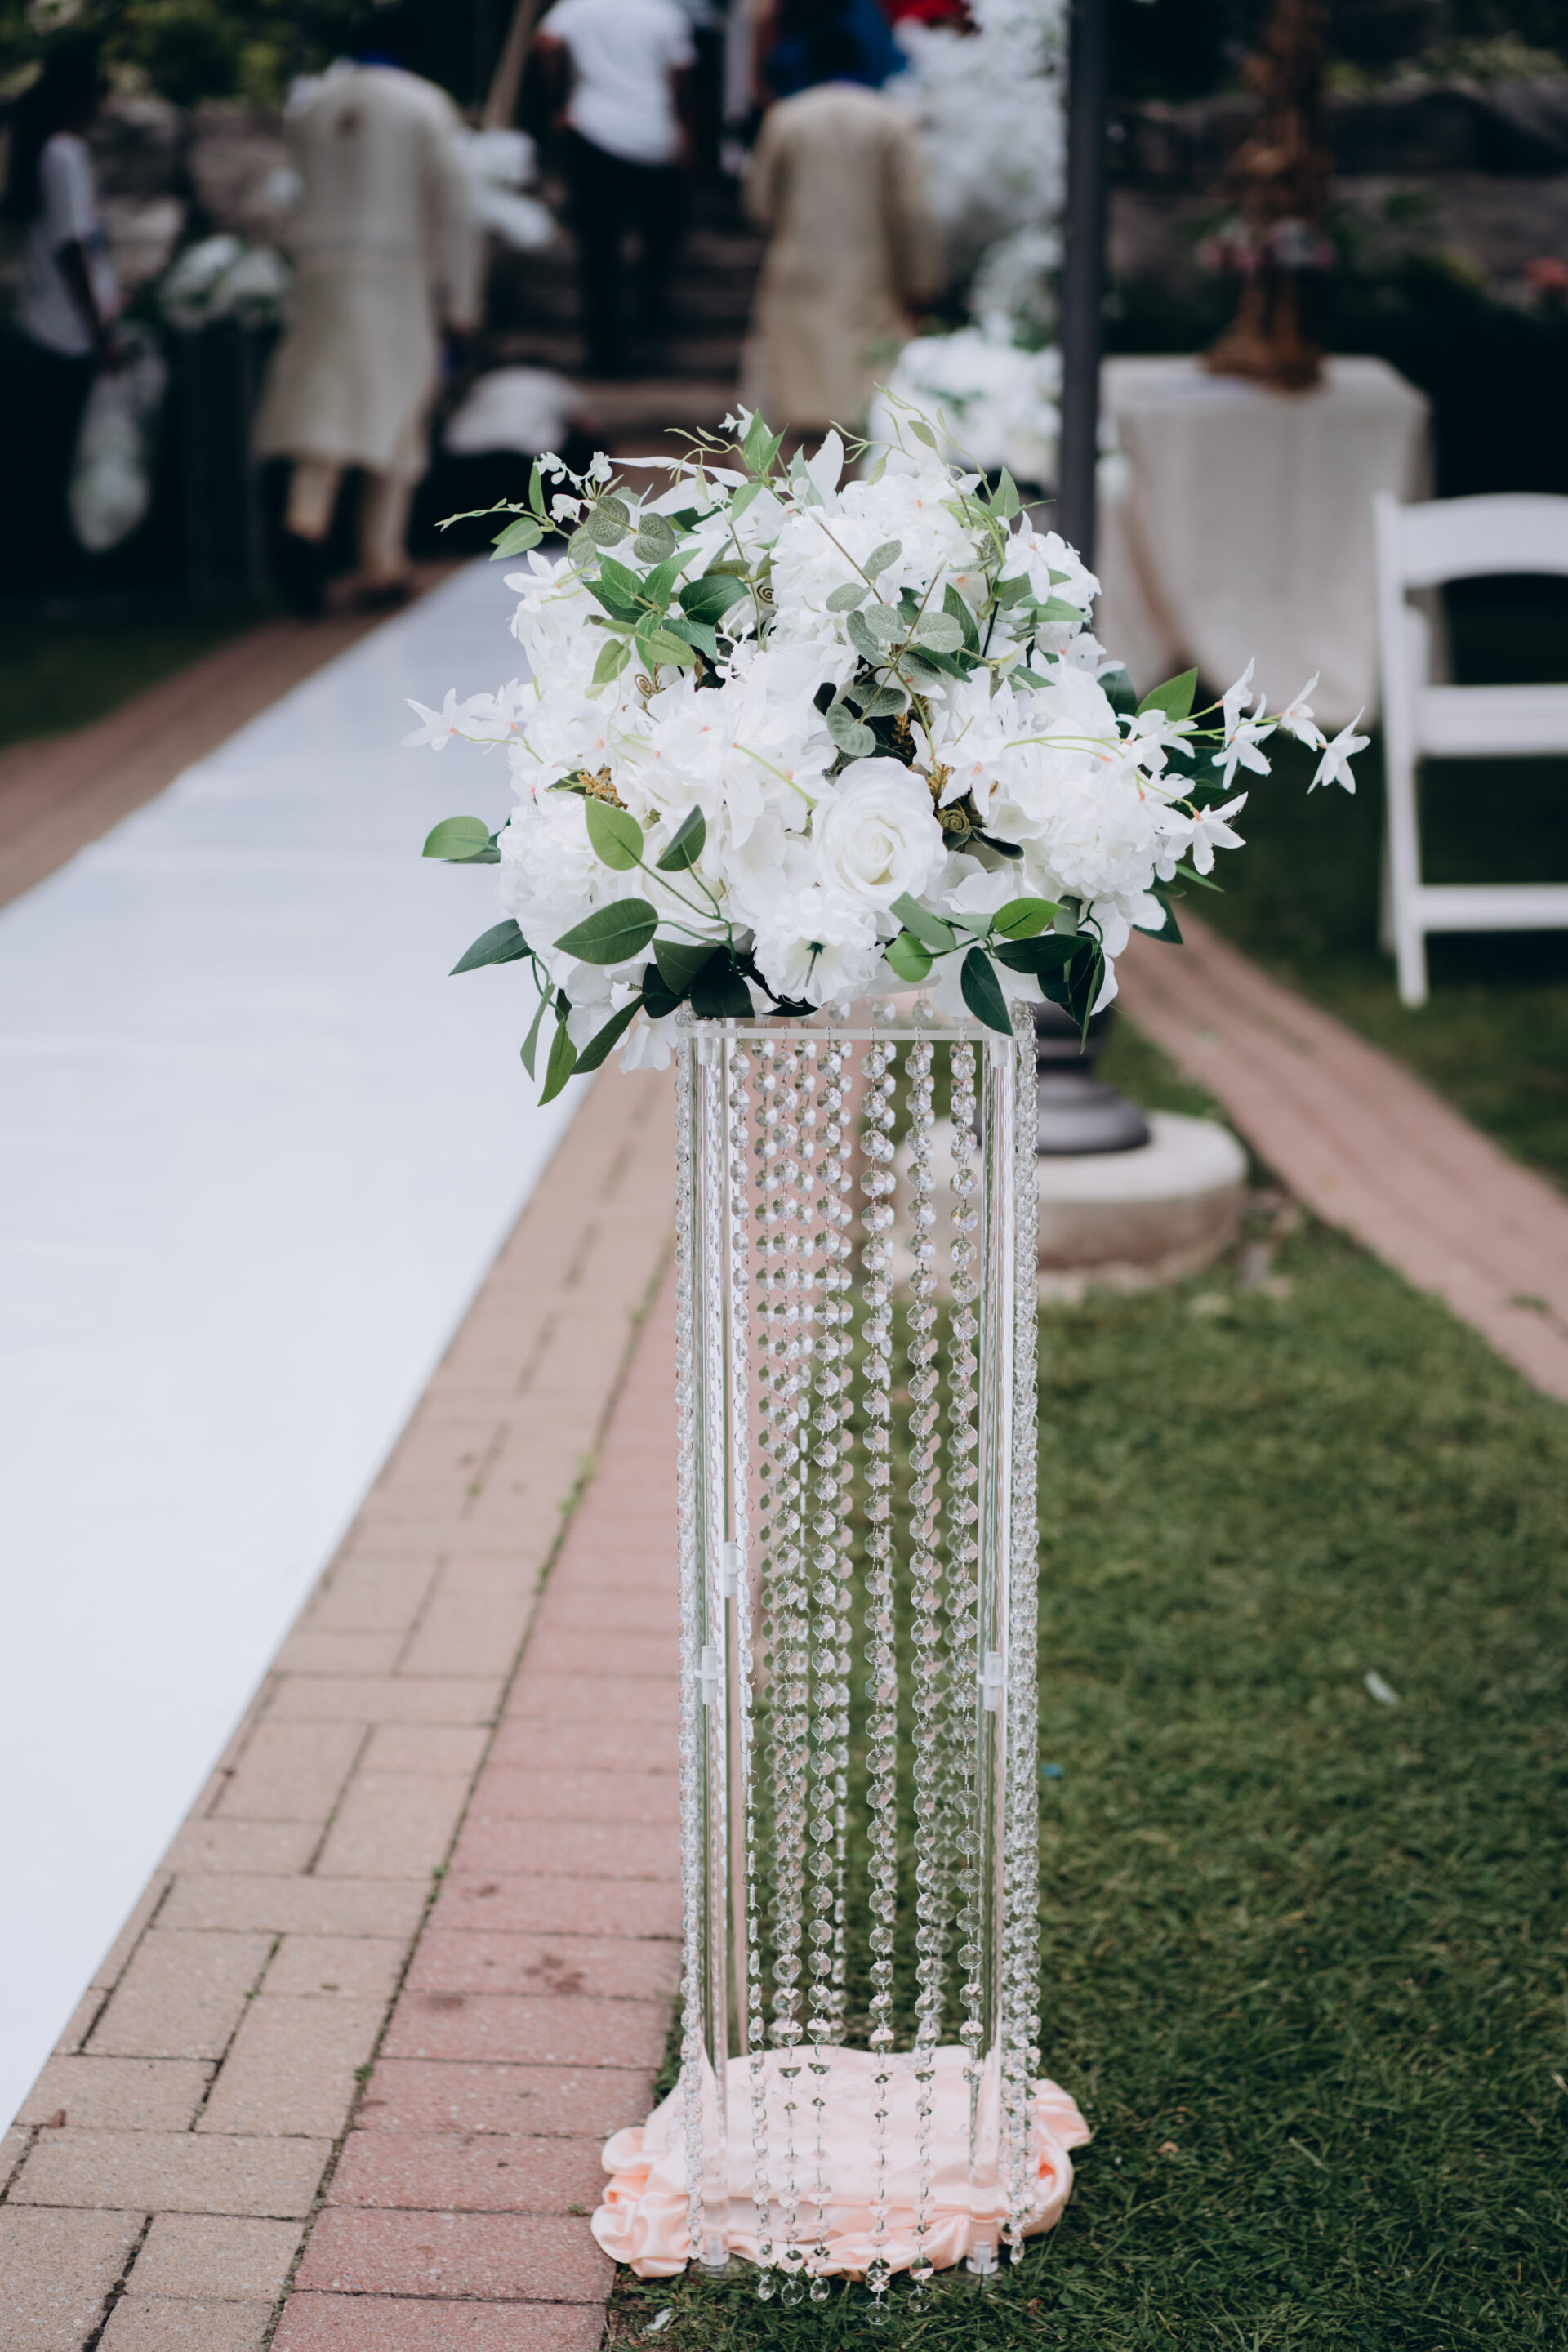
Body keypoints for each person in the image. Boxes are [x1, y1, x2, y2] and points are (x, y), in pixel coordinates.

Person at [253, 16, 481, 614]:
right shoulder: (424, 104)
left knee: (323, 411)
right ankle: (382, 557)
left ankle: (304, 523)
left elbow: (291, 196)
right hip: (397, 275)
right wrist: (461, 302)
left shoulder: (313, 108)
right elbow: (452, 207)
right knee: (399, 413)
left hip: (320, 275)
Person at [741, 21, 938, 434]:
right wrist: (922, 282)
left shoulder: (785, 118)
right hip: (872, 272)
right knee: (865, 391)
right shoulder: (893, 121)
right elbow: (911, 211)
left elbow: (759, 204)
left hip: (799, 267)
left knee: (795, 384)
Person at [1, 33, 124, 597]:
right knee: (60, 461)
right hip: (67, 330)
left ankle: (43, 574)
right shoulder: (64, 154)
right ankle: (57, 577)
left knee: (41, 456)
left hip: (41, 322)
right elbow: (72, 248)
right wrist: (101, 330)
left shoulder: (39, 150)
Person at [535, 0, 696, 380]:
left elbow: (546, 42)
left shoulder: (578, 7)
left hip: (592, 132)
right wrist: (685, 130)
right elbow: (681, 75)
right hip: (653, 136)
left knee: (598, 248)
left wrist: (558, 99)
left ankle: (604, 351)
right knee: (660, 236)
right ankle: (648, 319)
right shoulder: (664, 13)